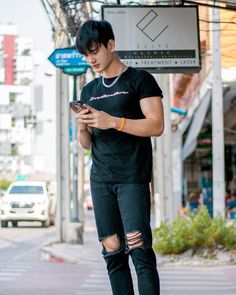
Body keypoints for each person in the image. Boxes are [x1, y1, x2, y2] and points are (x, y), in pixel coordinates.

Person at [75, 19, 164, 295]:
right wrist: (82, 126)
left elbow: (156, 125)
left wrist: (114, 121)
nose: (91, 59)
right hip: (101, 181)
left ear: (111, 45)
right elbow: (86, 144)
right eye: (86, 54)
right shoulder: (88, 91)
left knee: (139, 250)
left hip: (132, 179)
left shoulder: (140, 80)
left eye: (94, 51)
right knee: (112, 252)